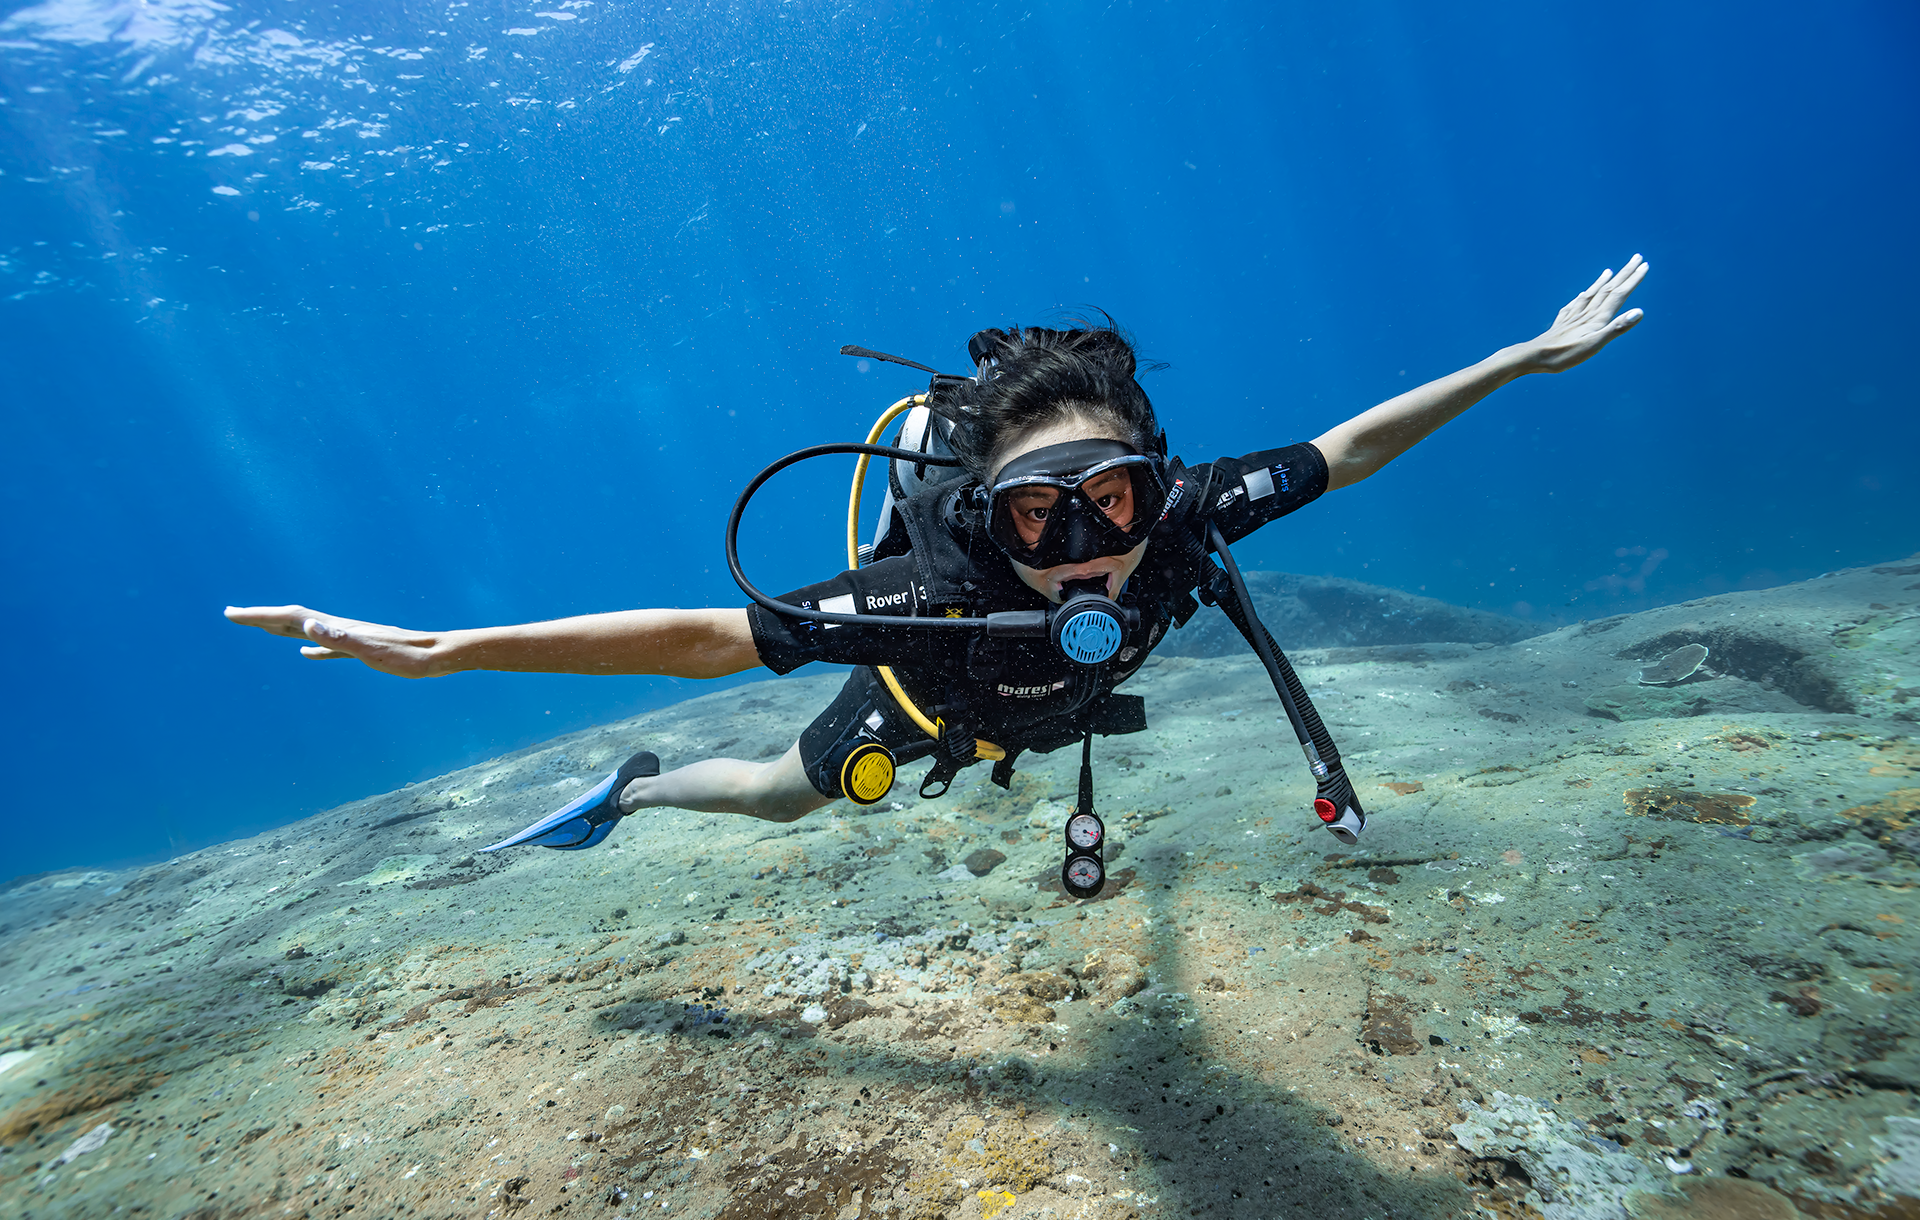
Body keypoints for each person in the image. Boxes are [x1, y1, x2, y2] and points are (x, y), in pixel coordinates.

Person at [227, 256, 1648, 851]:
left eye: (1113, 499)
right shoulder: (926, 590)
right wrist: (446, 650)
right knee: (782, 797)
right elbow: (694, 636)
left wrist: (1523, 361)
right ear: (983, 518)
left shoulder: (1180, 521)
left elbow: (1344, 447)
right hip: (930, 702)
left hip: (1046, 706)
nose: (1088, 545)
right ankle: (637, 796)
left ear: (1157, 487)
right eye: (1039, 512)